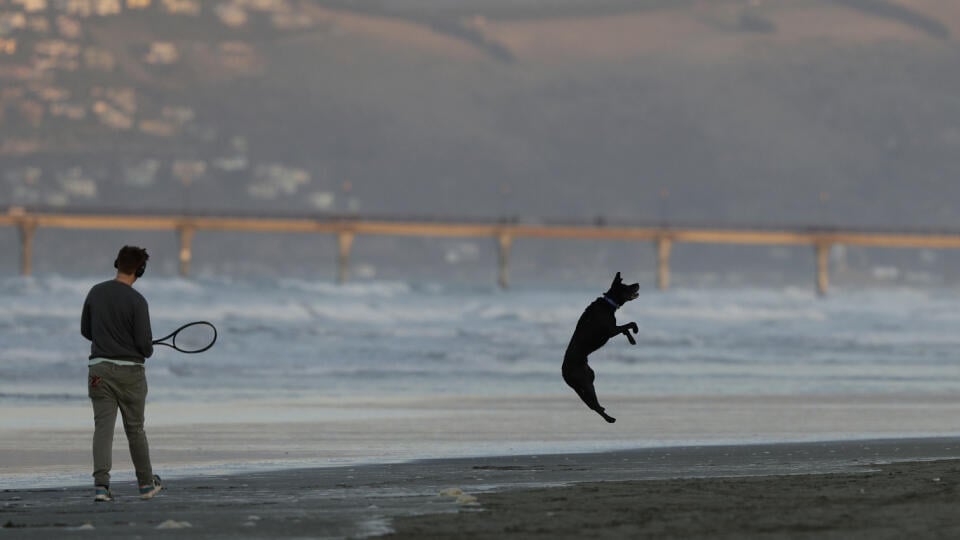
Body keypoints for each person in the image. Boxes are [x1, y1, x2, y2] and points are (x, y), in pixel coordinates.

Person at [81, 245, 162, 502]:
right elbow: (145, 348)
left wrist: (108, 338)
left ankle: (101, 487)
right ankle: (146, 485)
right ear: (141, 270)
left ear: (117, 263)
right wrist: (143, 344)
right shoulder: (138, 301)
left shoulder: (96, 292)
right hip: (131, 374)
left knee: (103, 428)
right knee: (135, 429)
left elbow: (86, 331)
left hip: (99, 370)